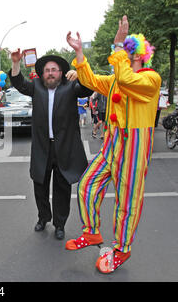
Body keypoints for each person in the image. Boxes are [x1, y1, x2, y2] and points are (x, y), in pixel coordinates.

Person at [65, 16, 161, 273]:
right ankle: (92, 232)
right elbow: (91, 81)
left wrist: (118, 46)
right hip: (111, 143)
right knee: (86, 185)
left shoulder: (152, 79)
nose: (120, 55)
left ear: (139, 56)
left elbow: (129, 81)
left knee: (126, 202)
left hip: (135, 147)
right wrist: (80, 54)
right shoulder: (116, 79)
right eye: (121, 52)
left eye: (126, 52)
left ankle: (122, 249)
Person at [9, 50, 92, 240]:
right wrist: (16, 63)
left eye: (54, 70)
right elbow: (19, 83)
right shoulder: (37, 86)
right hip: (42, 148)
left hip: (64, 148)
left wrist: (81, 73)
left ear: (61, 72)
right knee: (40, 185)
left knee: (62, 188)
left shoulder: (72, 85)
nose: (51, 73)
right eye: (47, 70)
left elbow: (88, 89)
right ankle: (43, 217)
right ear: (42, 74)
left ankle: (60, 224)